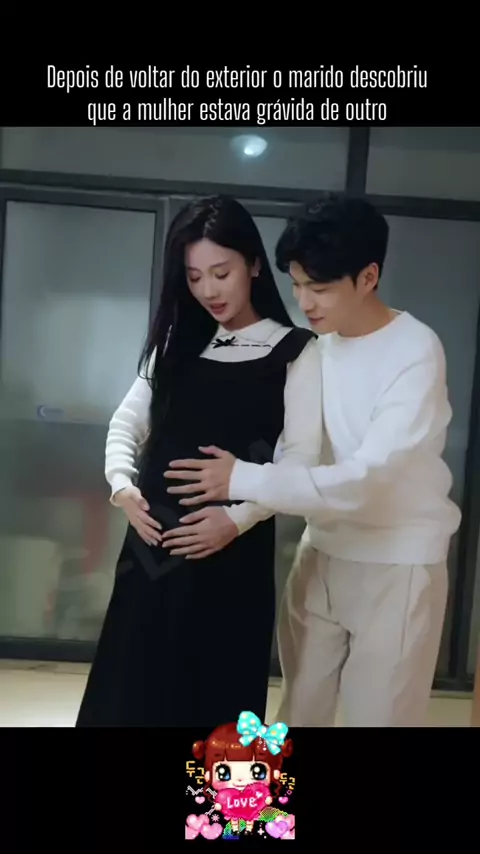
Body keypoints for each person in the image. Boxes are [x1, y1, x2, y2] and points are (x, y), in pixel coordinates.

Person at [164, 194, 462, 728]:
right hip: (320, 552)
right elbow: (290, 451)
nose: (304, 301)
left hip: (397, 562)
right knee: (298, 713)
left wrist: (240, 479)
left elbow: (367, 478)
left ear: (368, 277)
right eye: (298, 284)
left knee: (380, 718)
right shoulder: (313, 348)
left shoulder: (415, 350)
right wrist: (234, 511)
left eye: (319, 288)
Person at [75, 195, 322, 728]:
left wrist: (234, 521)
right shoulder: (176, 341)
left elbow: (300, 461)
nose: (208, 290)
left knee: (215, 703)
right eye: (193, 277)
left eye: (221, 273)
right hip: (151, 550)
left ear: (254, 265)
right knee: (132, 692)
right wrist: (122, 487)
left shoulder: (296, 351)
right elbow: (126, 424)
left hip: (232, 556)